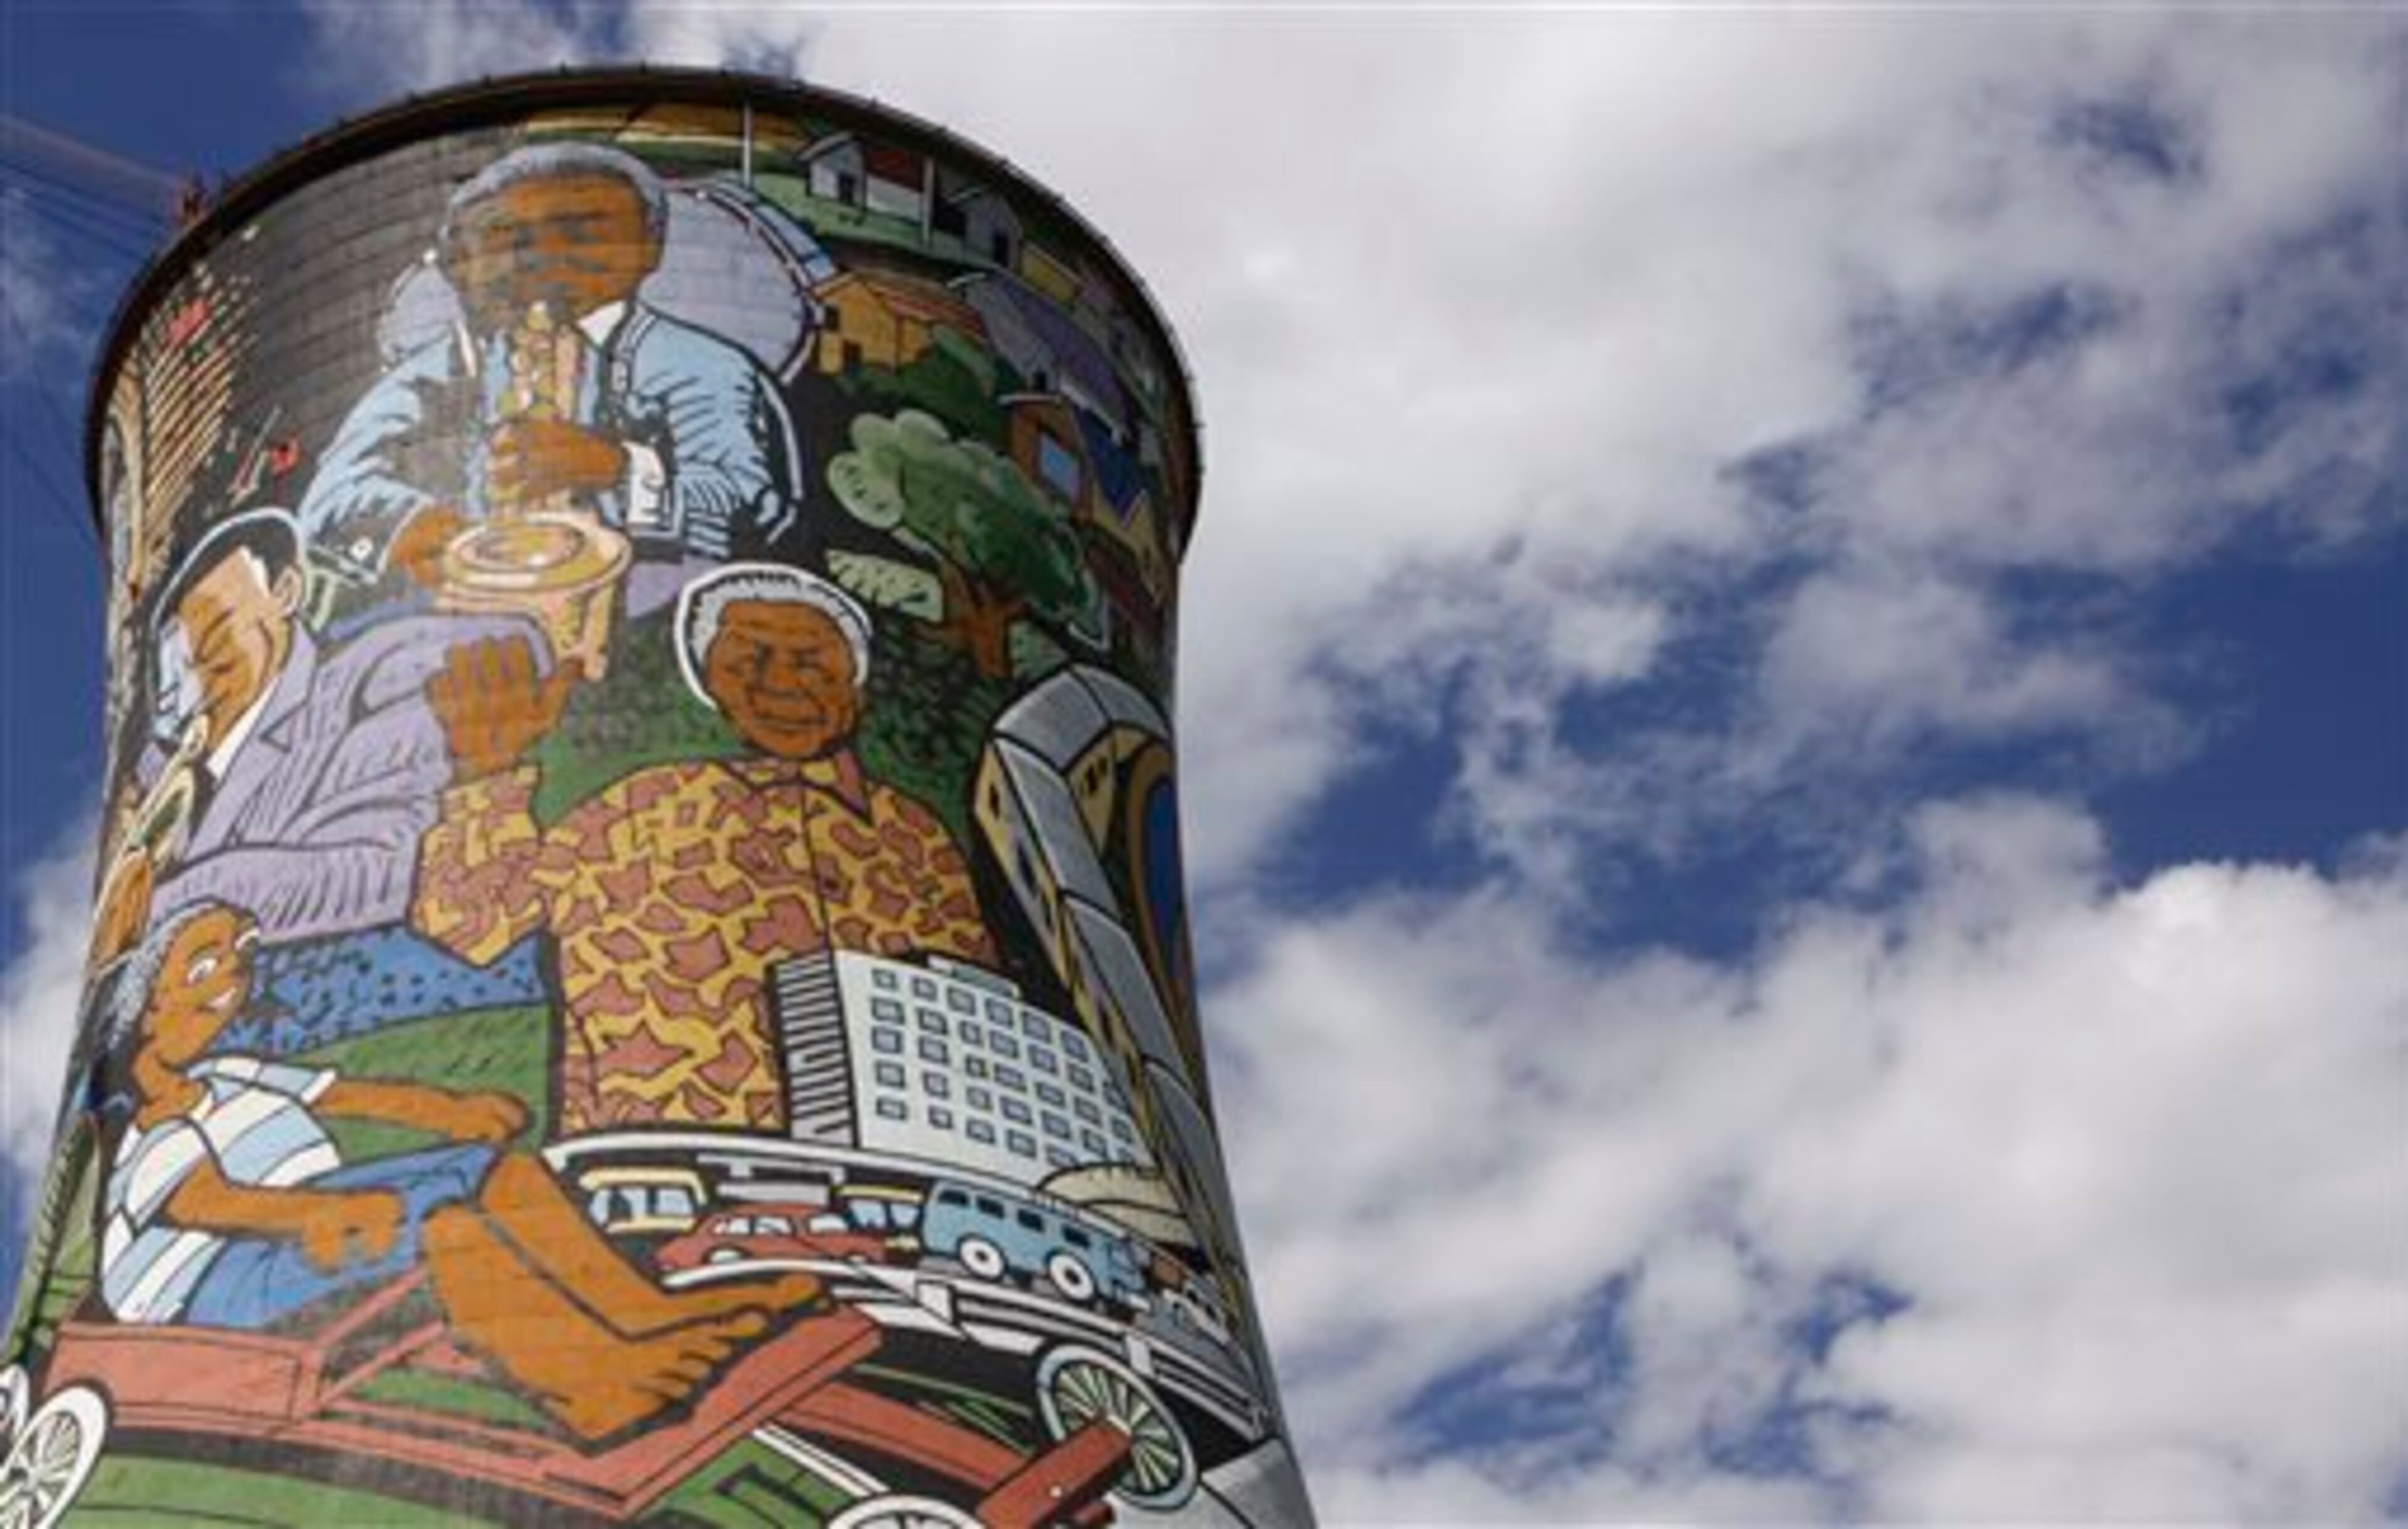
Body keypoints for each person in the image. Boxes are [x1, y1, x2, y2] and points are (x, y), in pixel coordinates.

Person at [97, 899, 823, 1441]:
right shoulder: (153, 1120)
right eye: (204, 962)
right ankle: (597, 1387)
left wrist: (454, 1109)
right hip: (215, 1277)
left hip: (306, 1208)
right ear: (150, 1006)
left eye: (239, 954)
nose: (234, 972)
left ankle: (648, 1311)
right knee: (450, 1229)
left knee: (497, 1170)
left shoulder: (231, 1070)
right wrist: (315, 1216)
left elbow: (348, 1092)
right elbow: (201, 1201)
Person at [413, 565, 993, 1135]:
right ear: (711, 684)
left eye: (812, 661)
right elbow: (469, 924)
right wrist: (486, 777)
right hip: (663, 1165)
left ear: (856, 686)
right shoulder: (644, 808)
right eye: (747, 660)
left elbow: (975, 1010)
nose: (780, 681)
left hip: (899, 1170)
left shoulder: (914, 838)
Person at [296, 142, 803, 593]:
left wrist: (616, 469)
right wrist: (419, 525)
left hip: (650, 607)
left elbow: (749, 502)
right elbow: (333, 491)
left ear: (650, 247)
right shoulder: (433, 373)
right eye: (504, 235)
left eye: (581, 231)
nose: (541, 255)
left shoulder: (699, 365)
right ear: (456, 265)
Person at [92, 509, 547, 961]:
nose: (198, 673)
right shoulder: (164, 779)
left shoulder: (369, 679)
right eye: (182, 662)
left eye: (215, 636)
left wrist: (153, 912)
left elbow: (385, 867)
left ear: (285, 593)